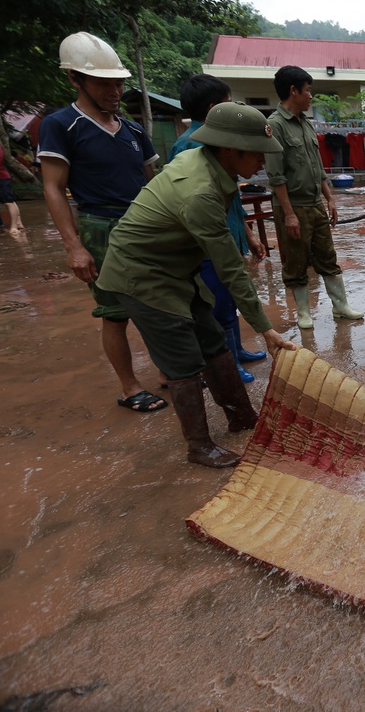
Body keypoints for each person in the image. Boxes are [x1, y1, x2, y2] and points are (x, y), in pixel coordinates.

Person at [96, 102, 297, 469]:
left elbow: (225, 228)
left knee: (212, 339)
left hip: (175, 267)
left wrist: (249, 234)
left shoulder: (212, 167)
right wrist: (265, 328)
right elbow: (230, 269)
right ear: (229, 149)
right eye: (257, 154)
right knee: (183, 359)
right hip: (140, 273)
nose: (263, 163)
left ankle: (242, 417)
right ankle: (200, 446)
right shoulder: (199, 189)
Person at [38, 32, 166, 414]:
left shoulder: (134, 131)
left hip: (142, 225)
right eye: (104, 83)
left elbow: (153, 185)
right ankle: (130, 387)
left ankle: (169, 372)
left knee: (160, 303)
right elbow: (53, 188)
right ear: (74, 79)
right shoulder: (61, 125)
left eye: (118, 83)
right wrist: (74, 245)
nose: (114, 91)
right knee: (115, 311)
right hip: (100, 226)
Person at [170, 73, 268, 383]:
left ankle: (237, 349)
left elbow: (232, 198)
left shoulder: (222, 146)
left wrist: (248, 235)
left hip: (229, 233)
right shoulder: (191, 144)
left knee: (229, 297)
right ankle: (225, 362)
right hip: (207, 240)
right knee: (218, 300)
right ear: (215, 109)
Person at [265, 65, 364, 331]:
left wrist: (330, 198)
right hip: (293, 205)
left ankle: (340, 307)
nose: (311, 96)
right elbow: (276, 177)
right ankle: (304, 312)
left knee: (327, 256)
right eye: (307, 91)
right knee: (296, 261)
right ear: (293, 91)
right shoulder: (275, 126)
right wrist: (288, 214)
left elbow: (318, 167)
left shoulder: (306, 125)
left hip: (315, 204)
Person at [0, 121, 23, 234]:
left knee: (8, 202)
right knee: (10, 200)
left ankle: (13, 227)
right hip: (2, 175)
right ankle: (19, 223)